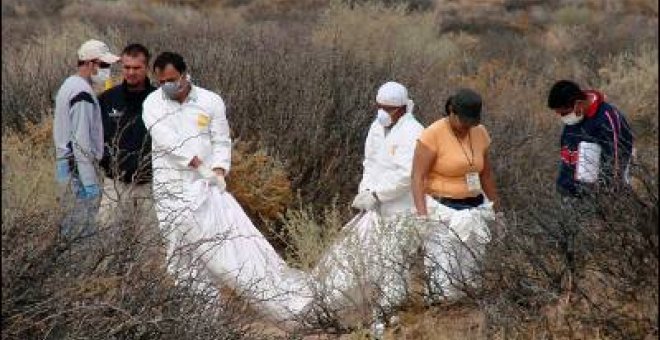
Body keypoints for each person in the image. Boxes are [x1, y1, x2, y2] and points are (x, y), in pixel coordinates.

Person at [142, 52, 311, 324]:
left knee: (222, 249)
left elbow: (221, 140)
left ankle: (270, 298)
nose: (167, 86)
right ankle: (200, 318)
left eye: (172, 80)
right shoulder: (153, 103)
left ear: (185, 75)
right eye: (161, 81)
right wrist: (199, 166)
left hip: (207, 191)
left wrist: (219, 170)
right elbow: (166, 141)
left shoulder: (209, 101)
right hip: (170, 190)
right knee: (181, 255)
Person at [312, 81, 434, 335]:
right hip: (374, 207)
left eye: (387, 108)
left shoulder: (414, 132)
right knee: (362, 260)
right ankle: (358, 314)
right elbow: (370, 162)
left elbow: (407, 175)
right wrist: (365, 191)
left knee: (392, 263)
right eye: (379, 106)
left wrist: (378, 194)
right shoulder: (376, 128)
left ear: (401, 108)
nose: (382, 112)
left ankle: (387, 320)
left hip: (401, 210)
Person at [411, 88, 500, 302]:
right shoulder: (432, 134)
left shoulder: (480, 132)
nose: (466, 127)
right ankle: (442, 311)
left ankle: (466, 311)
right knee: (444, 270)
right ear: (452, 112)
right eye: (463, 122)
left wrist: (498, 210)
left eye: (472, 123)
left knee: (471, 269)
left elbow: (486, 174)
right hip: (443, 208)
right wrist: (422, 216)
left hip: (474, 207)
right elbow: (417, 177)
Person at [53, 39, 120, 241]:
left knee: (71, 231)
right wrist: (90, 183)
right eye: (104, 65)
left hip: (67, 168)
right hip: (78, 173)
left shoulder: (70, 84)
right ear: (91, 63)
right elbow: (81, 142)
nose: (107, 70)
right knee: (81, 237)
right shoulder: (82, 93)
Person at [98, 43, 157, 231]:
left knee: (150, 244)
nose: (131, 72)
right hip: (115, 183)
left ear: (146, 68)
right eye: (127, 67)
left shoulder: (159, 100)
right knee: (105, 239)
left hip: (150, 185)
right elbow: (96, 137)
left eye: (137, 68)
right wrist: (107, 162)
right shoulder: (107, 99)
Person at [547, 80, 634, 199]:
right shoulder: (574, 117)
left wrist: (605, 200)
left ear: (578, 104)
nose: (563, 117)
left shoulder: (607, 118)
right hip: (569, 195)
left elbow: (615, 162)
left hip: (596, 198)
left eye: (564, 113)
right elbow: (566, 155)